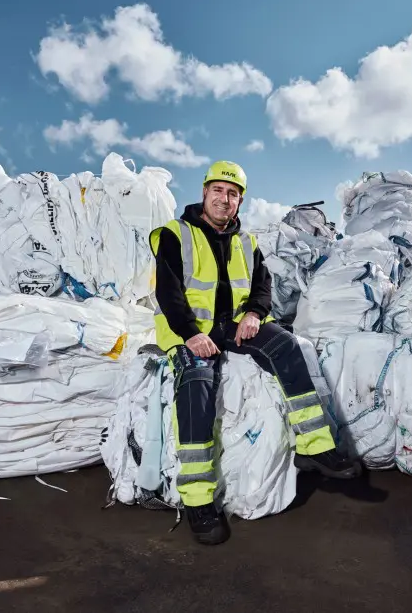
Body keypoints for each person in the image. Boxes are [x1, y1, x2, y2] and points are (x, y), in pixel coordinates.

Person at [149, 160, 362, 545]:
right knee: (197, 382)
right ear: (204, 192)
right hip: (190, 331)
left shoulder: (247, 242)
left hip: (232, 324)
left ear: (240, 201)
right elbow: (169, 292)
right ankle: (198, 498)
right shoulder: (173, 235)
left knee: (288, 345)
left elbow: (262, 287)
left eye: (232, 194)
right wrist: (190, 335)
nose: (224, 199)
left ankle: (316, 445)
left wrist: (253, 313)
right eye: (218, 191)